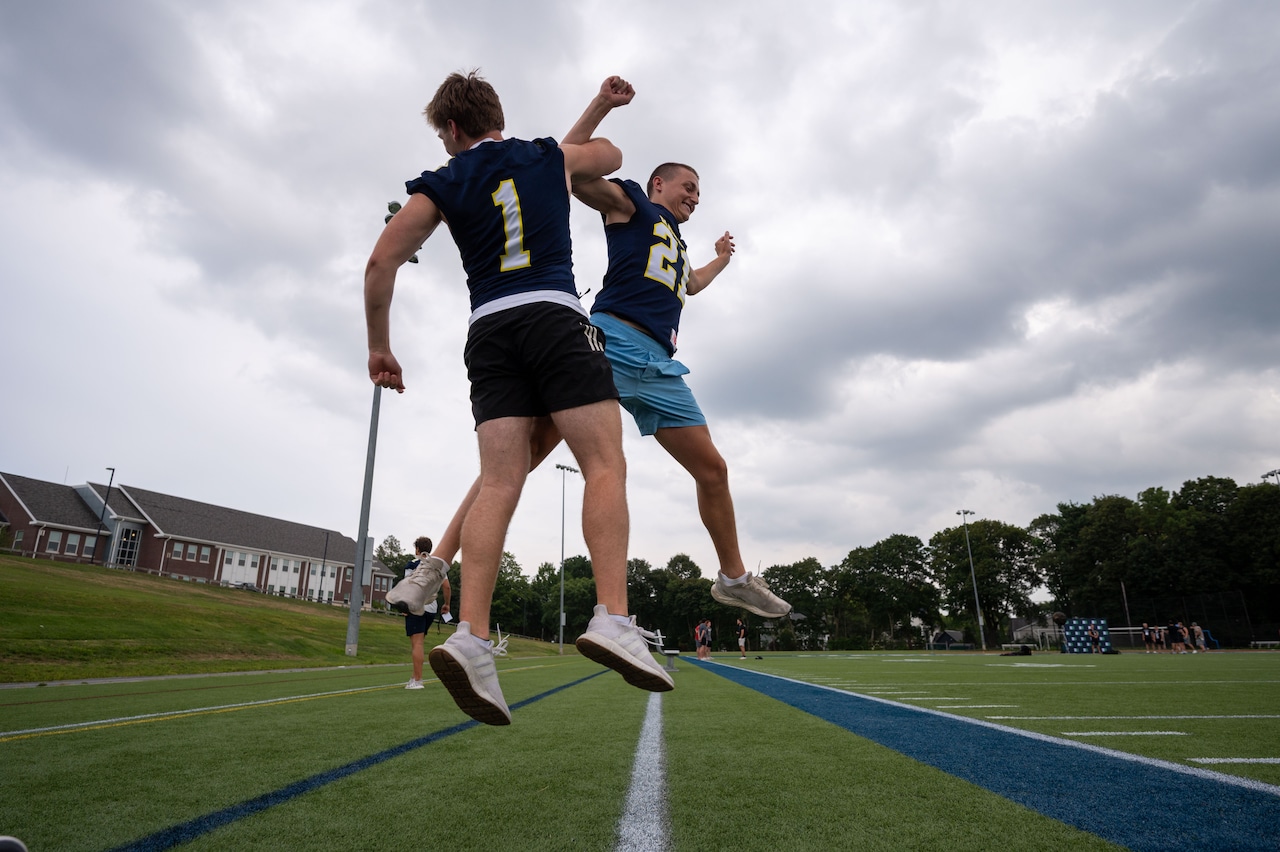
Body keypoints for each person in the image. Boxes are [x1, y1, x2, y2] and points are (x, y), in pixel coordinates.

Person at [365, 71, 673, 726]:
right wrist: (593, 121)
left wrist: (380, 347)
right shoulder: (544, 156)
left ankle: (471, 636)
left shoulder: (443, 181)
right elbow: (610, 156)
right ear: (496, 116)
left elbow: (380, 264)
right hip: (556, 318)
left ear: (452, 130)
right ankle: (613, 619)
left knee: (499, 482)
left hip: (490, 333)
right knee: (603, 464)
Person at [429, 79, 791, 621]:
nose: (695, 197)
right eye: (688, 186)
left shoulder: (675, 241)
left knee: (713, 469)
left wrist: (722, 258)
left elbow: (691, 284)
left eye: (700, 193)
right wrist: (600, 107)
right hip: (608, 342)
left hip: (659, 365)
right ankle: (436, 562)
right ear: (658, 183)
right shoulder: (630, 204)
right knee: (518, 459)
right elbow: (561, 168)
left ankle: (733, 578)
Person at [396, 536, 452, 689]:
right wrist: (447, 604)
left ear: (417, 549)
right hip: (431, 609)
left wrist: (405, 607)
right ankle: (414, 676)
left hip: (417, 607)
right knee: (419, 642)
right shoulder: (437, 565)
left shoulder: (413, 565)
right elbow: (447, 587)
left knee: (417, 644)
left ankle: (418, 680)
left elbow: (408, 587)